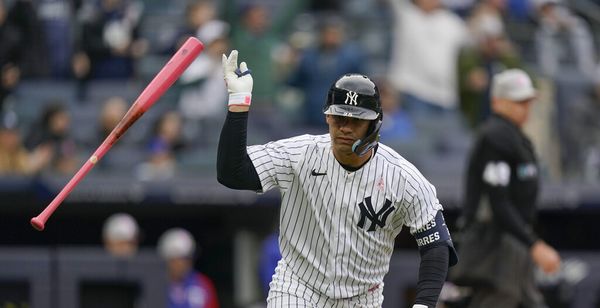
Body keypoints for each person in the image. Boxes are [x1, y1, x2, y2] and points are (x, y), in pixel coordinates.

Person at [217, 50, 458, 307]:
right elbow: (233, 174)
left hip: (362, 297)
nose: (345, 127)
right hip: (298, 287)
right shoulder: (301, 153)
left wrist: (424, 304)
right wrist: (238, 103)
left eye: (355, 120)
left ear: (374, 125)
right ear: (327, 117)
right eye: (339, 117)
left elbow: (437, 244)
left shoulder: (402, 176)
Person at [450, 69, 561, 307]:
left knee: (527, 300)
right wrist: (535, 245)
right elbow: (497, 202)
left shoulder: (516, 138)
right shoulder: (495, 137)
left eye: (527, 102)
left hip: (513, 242)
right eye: (518, 102)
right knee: (501, 299)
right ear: (497, 102)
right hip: (495, 244)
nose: (525, 108)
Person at [157, 228, 219, 308]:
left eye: (186, 258)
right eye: (177, 259)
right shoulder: (155, 284)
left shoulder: (202, 284)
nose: (182, 264)